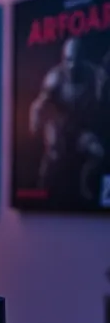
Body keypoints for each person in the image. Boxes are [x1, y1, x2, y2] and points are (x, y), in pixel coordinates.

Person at [29, 37, 106, 202]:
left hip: (80, 129)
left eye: (77, 60)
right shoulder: (55, 77)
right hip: (58, 127)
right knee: (54, 155)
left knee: (98, 153)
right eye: (69, 60)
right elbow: (39, 104)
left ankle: (85, 186)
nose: (73, 65)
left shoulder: (93, 74)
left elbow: (101, 97)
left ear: (82, 58)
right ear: (63, 59)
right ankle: (41, 189)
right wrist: (35, 121)